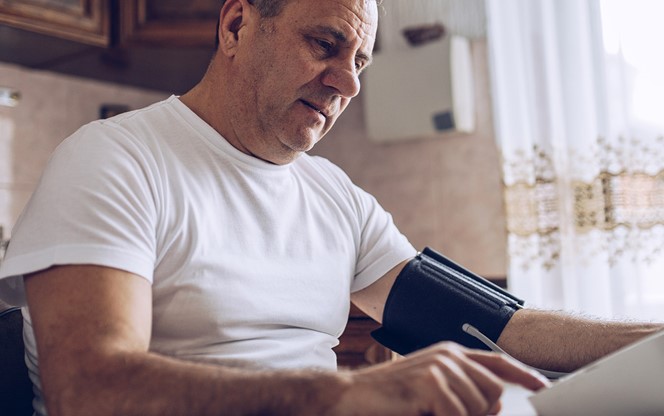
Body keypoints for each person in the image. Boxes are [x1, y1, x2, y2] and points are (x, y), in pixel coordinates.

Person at [0, 0, 660, 415]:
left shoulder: (332, 196)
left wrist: (652, 347)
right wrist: (343, 394)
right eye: (325, 44)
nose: (348, 82)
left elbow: (489, 323)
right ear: (236, 24)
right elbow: (89, 392)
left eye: (361, 61)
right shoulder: (116, 160)